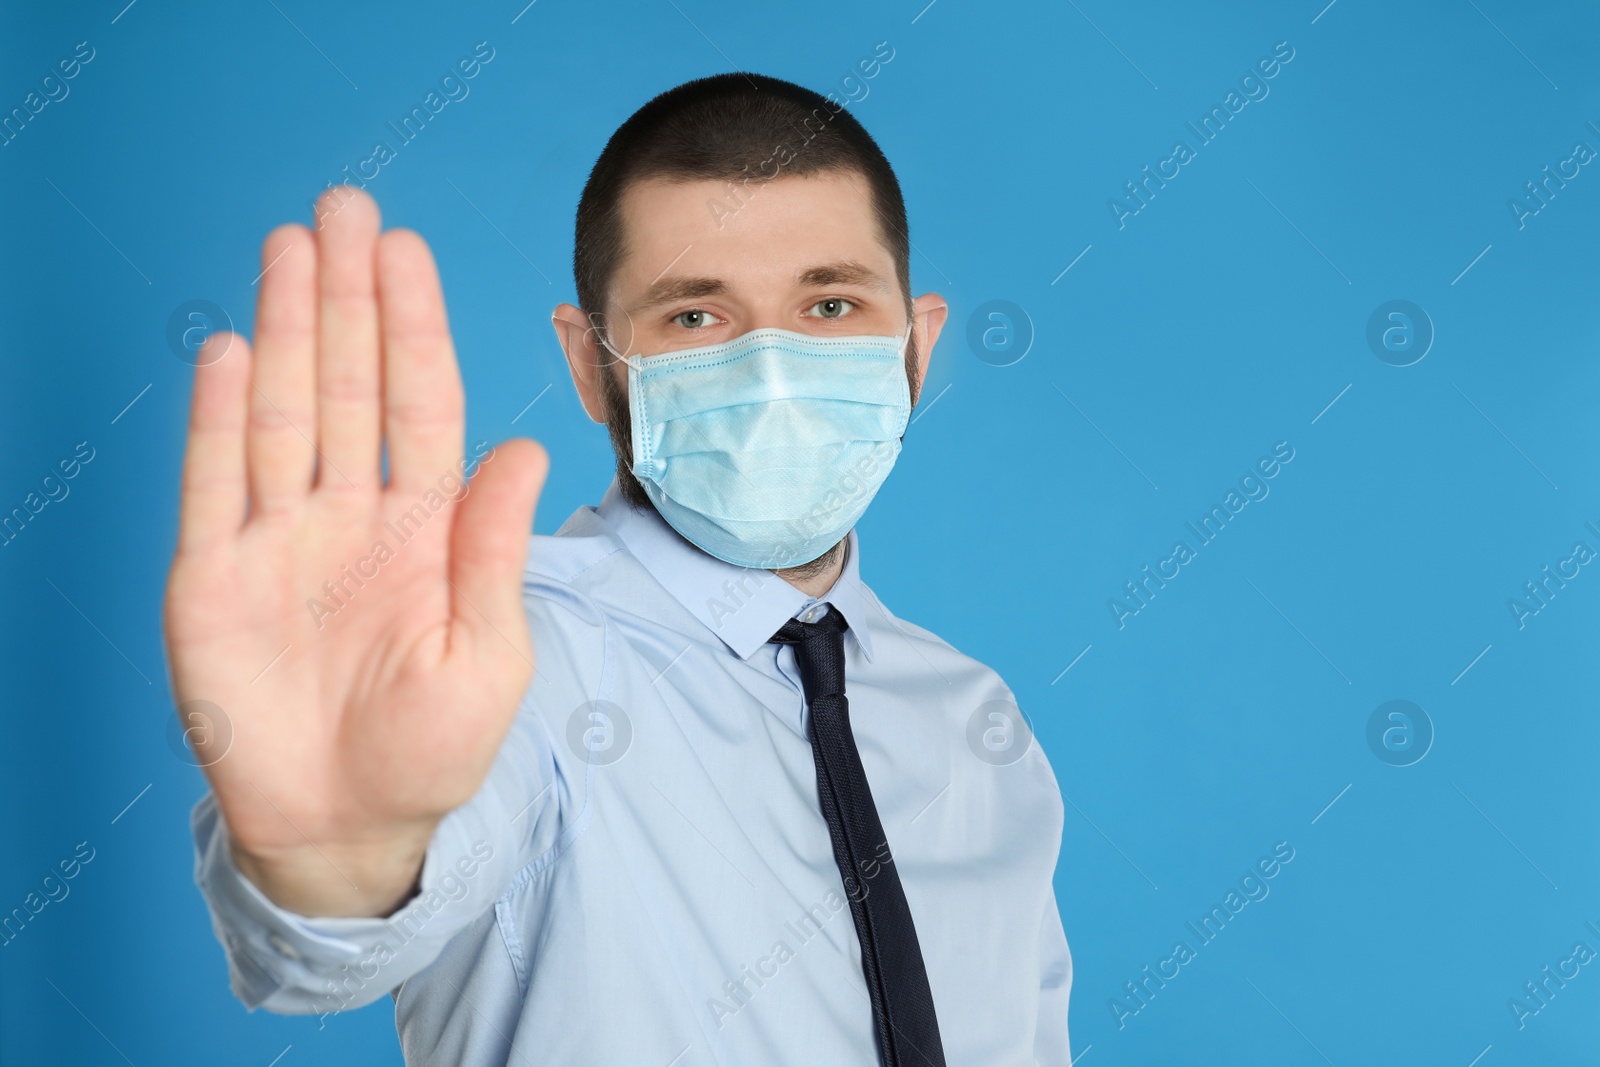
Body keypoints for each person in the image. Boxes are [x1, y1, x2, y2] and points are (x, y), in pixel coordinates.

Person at [166, 71, 1072, 1066]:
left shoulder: (974, 720)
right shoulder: (503, 667)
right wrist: (338, 863)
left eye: (829, 304)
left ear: (917, 346)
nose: (771, 373)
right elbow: (320, 949)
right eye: (694, 317)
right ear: (592, 365)